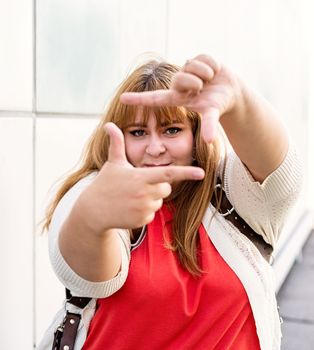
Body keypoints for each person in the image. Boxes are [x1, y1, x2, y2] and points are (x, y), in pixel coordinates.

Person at [43, 54, 302, 350]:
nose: (155, 148)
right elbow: (88, 276)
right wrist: (92, 218)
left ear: (195, 134)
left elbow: (281, 180)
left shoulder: (227, 197)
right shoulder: (94, 191)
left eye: (172, 130)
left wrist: (239, 102)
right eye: (138, 132)